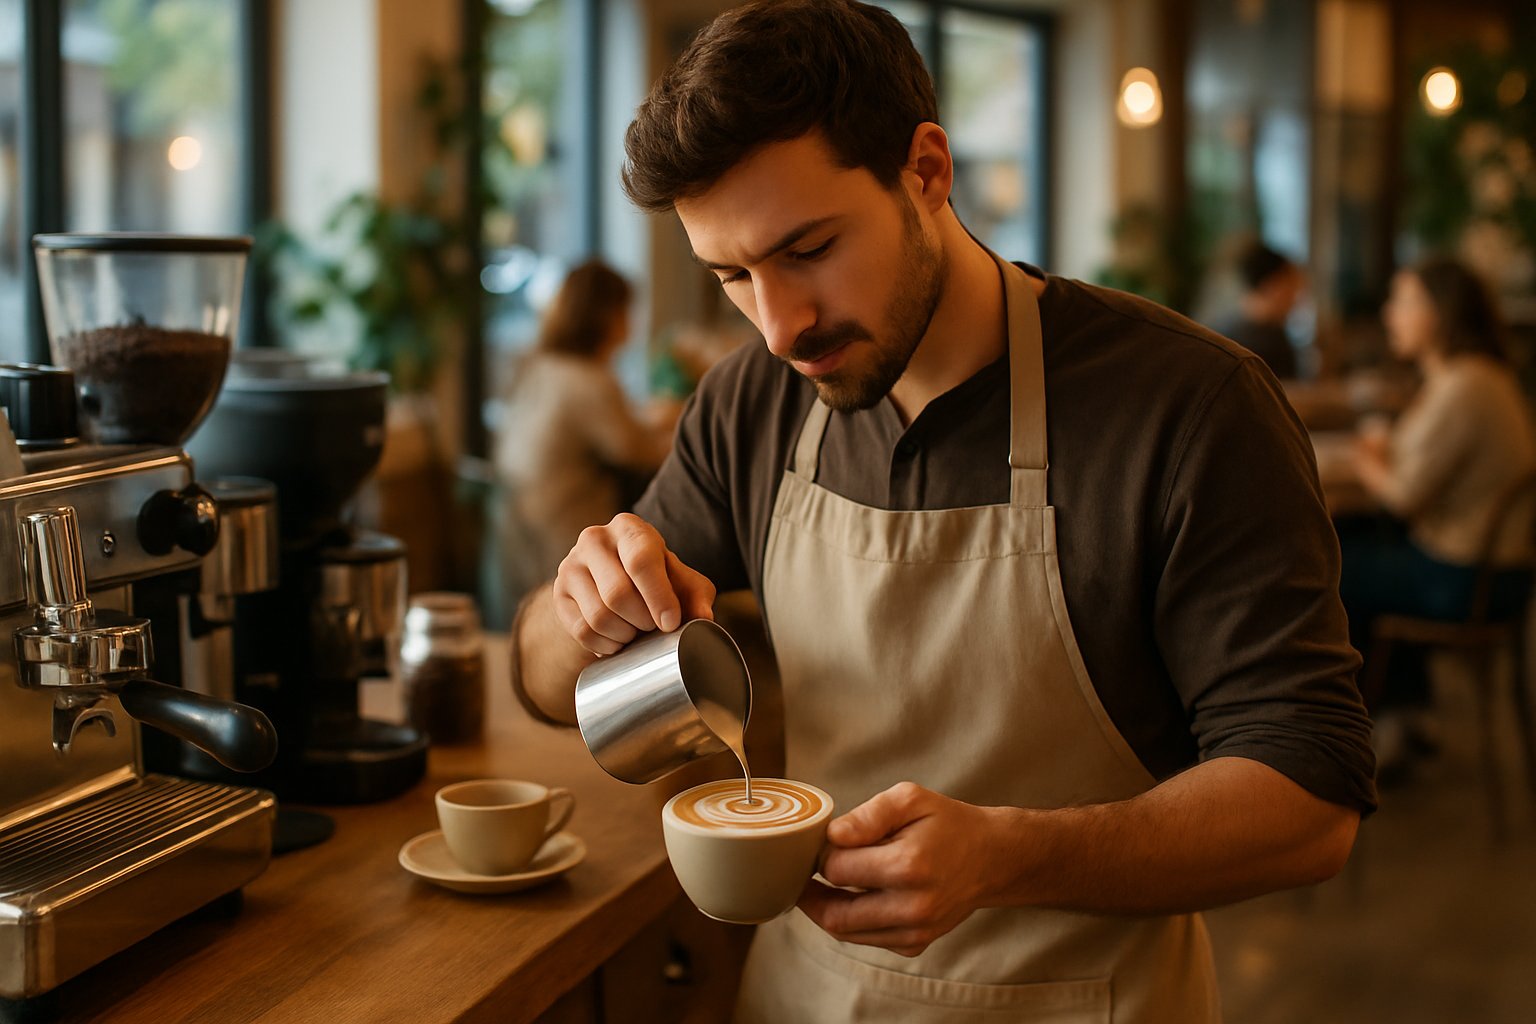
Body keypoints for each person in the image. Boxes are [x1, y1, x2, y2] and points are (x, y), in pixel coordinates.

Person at [510, 3, 1375, 1020]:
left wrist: (1014, 855)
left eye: (810, 247)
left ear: (926, 169)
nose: (781, 323)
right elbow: (540, 679)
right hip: (806, 995)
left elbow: (1309, 801)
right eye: (733, 276)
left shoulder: (1186, 407)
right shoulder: (753, 403)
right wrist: (585, 607)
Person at [1342, 258, 1536, 772]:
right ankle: (1401, 714)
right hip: (1489, 569)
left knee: (1323, 568)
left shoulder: (1465, 385)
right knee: (1354, 545)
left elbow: (1403, 497)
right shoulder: (1472, 377)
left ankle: (1354, 735)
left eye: (1403, 301)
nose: (1390, 314)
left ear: (1440, 312)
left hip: (1466, 578)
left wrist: (1366, 459)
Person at [492, 260, 674, 603]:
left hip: (513, 527)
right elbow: (637, 451)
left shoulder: (543, 365)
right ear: (609, 316)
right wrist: (684, 425)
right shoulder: (591, 381)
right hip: (563, 537)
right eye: (627, 310)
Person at [1216, 240, 1305, 379]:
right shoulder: (1254, 339)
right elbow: (1281, 393)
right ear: (1273, 286)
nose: (1296, 301)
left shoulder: (1224, 327)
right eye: (1293, 288)